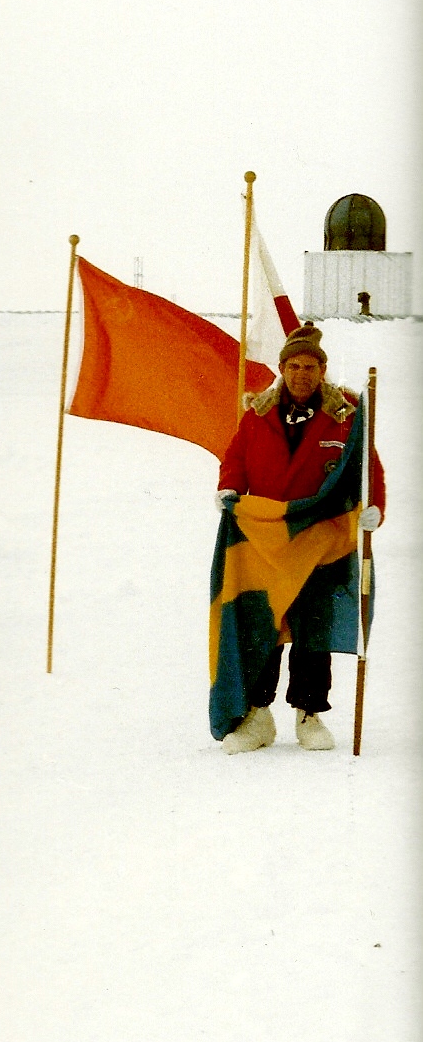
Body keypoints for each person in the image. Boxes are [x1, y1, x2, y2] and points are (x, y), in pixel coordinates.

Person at [216, 323, 385, 754]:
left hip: (320, 542)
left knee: (313, 628)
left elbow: (369, 469)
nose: (301, 374)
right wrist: (230, 487)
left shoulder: (346, 416)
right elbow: (236, 457)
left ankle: (309, 713)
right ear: (281, 368)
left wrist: (374, 508)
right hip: (267, 542)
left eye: (310, 367)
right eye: (294, 366)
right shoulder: (258, 414)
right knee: (264, 627)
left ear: (322, 370)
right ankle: (257, 715)